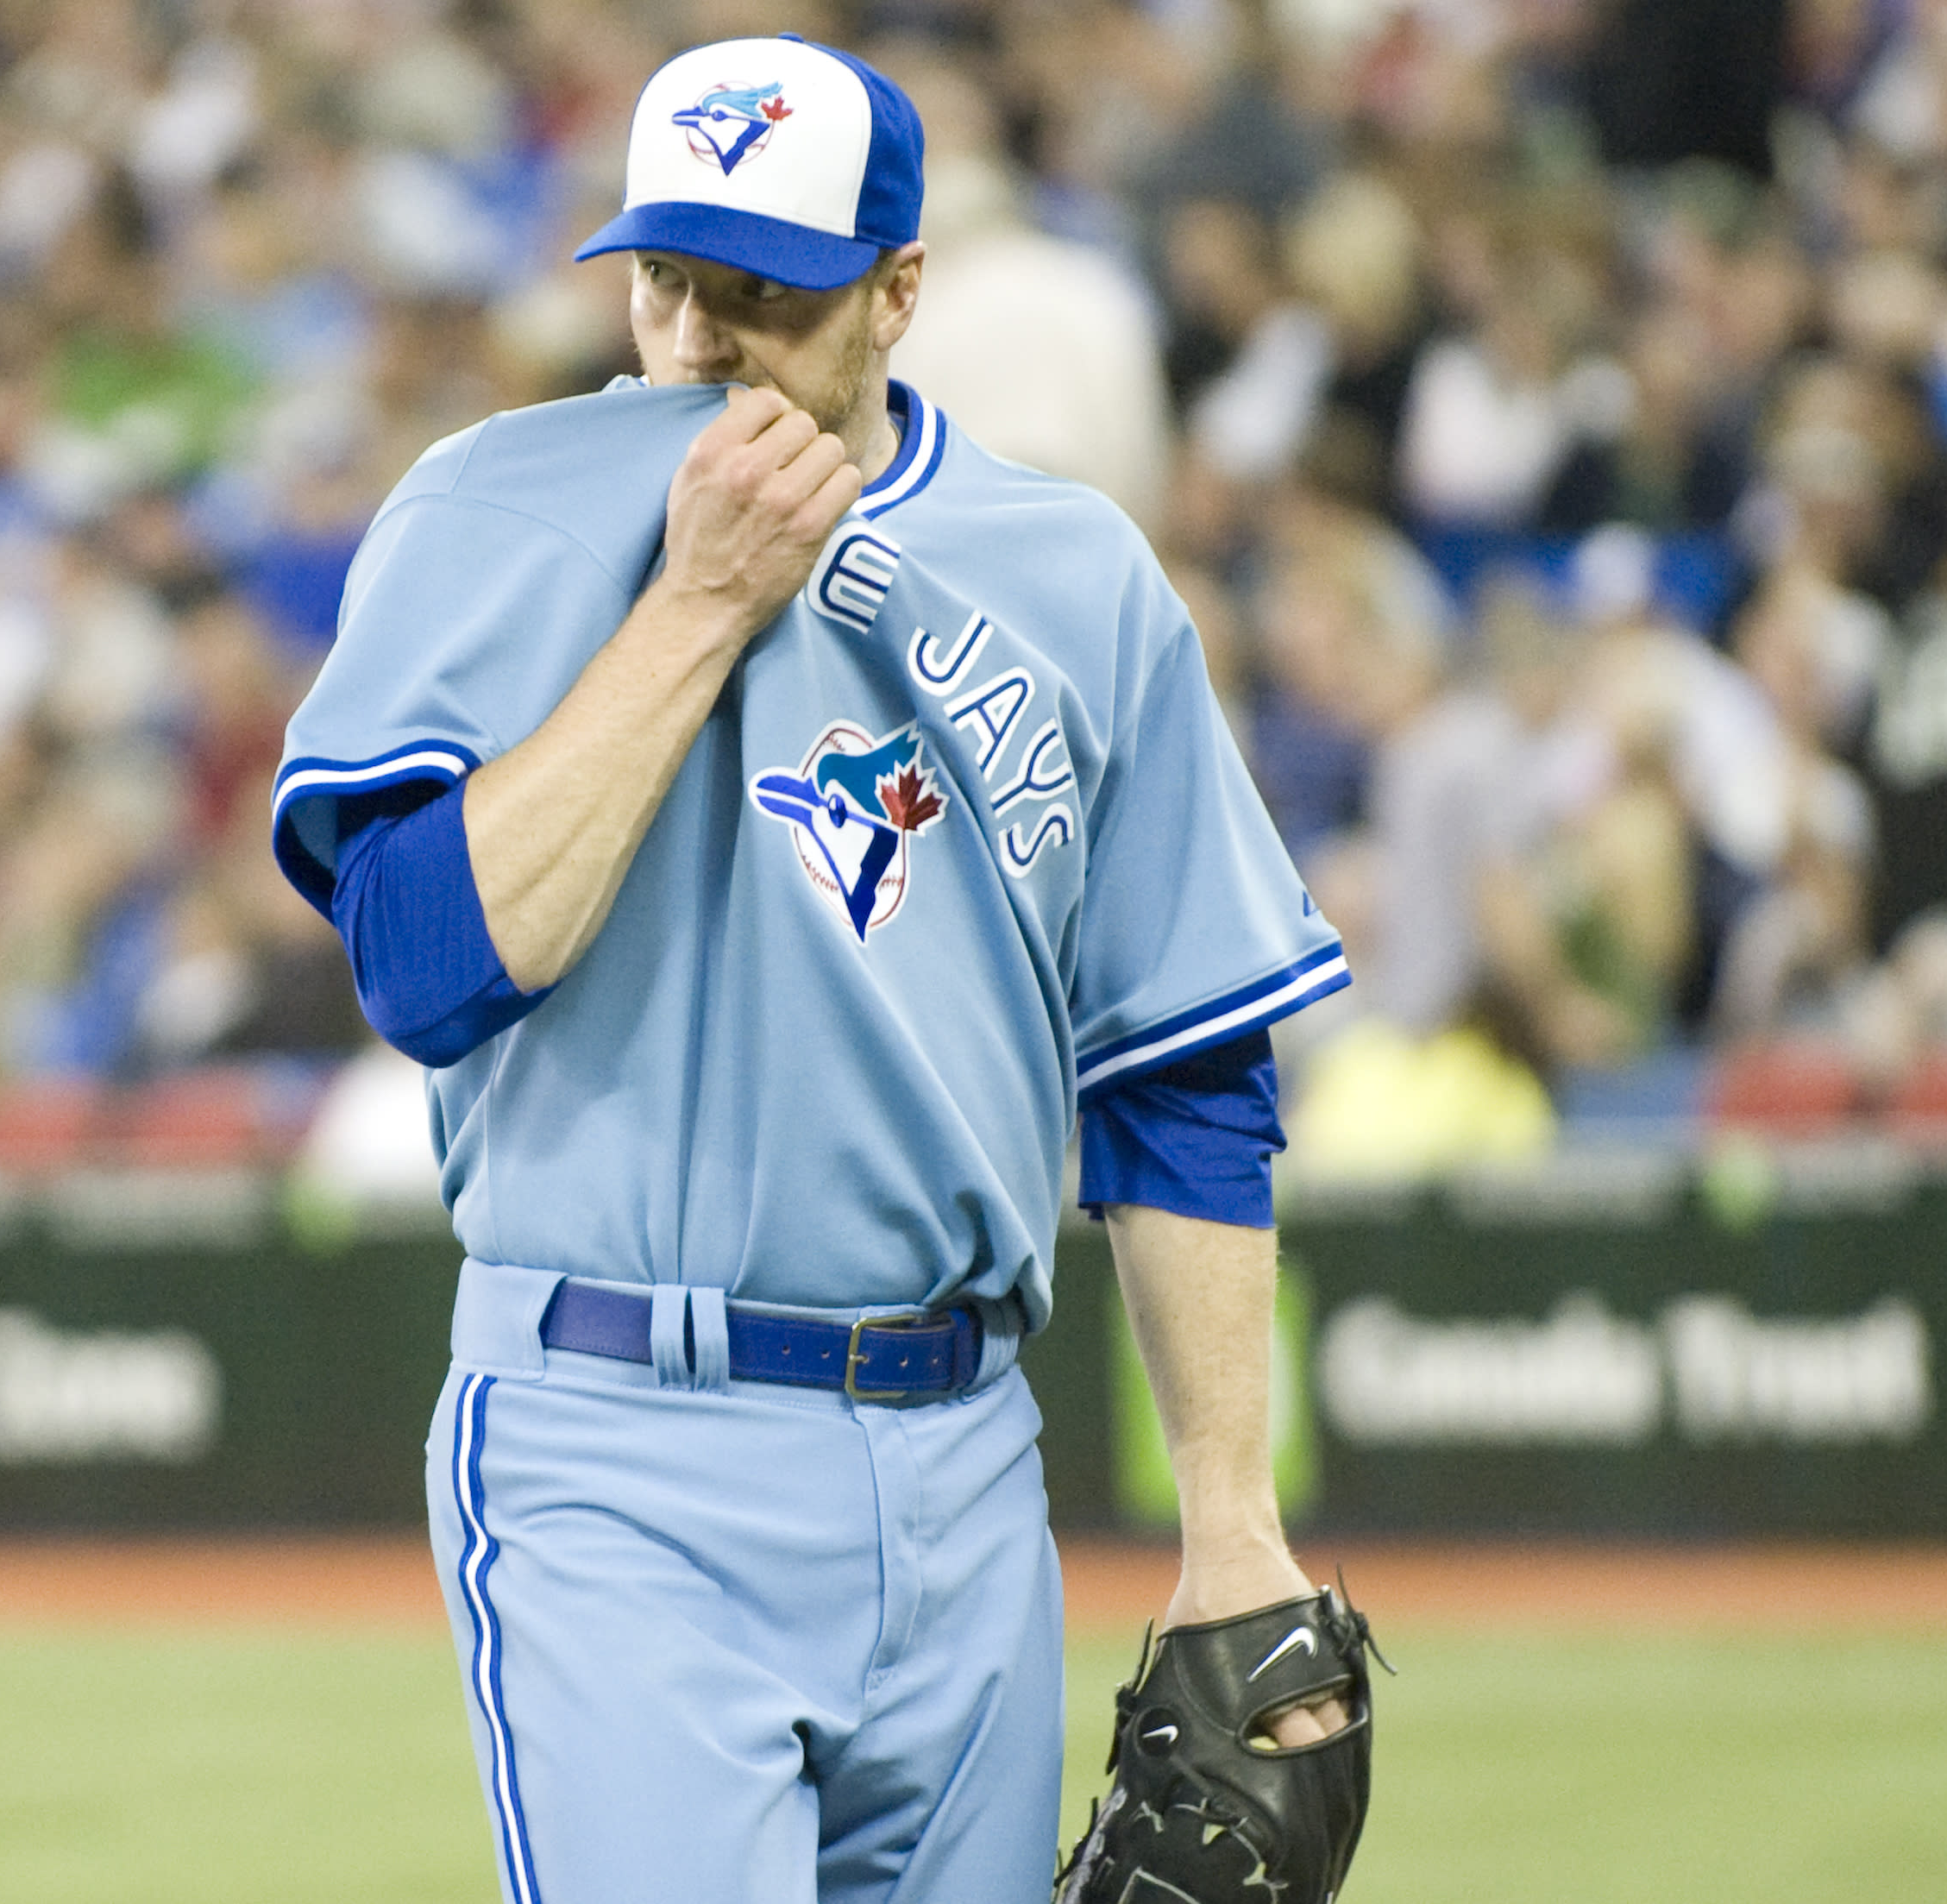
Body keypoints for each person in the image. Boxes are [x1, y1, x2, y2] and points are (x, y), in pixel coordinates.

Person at [273, 36, 1361, 1902]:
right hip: (619, 1434)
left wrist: (1233, 1525)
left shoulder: (1074, 575)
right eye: (665, 281)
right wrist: (697, 602)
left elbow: (1177, 1083)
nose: (696, 344)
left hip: (957, 1461)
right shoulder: (501, 510)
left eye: (762, 296)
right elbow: (427, 967)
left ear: (895, 297)